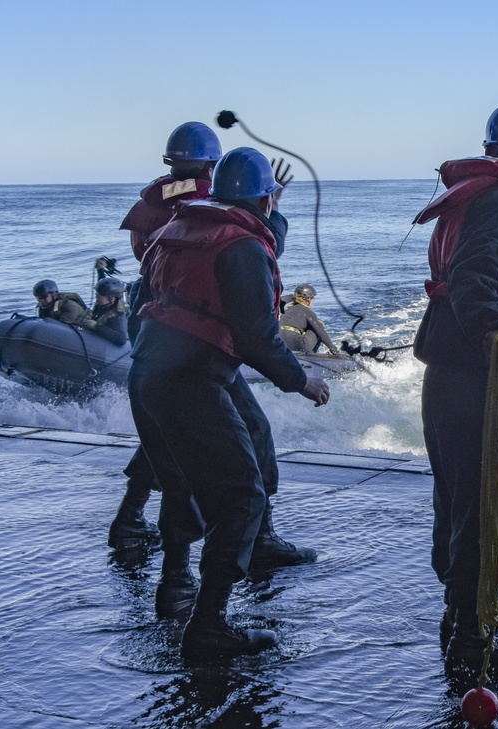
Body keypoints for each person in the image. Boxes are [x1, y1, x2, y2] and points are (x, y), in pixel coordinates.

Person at [129, 146, 330, 660]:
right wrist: (300, 380)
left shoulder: (179, 228)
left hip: (149, 371)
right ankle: (210, 624)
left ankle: (178, 585)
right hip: (191, 378)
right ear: (263, 200)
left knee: (185, 477)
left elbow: (142, 302)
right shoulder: (241, 246)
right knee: (242, 495)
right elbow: (258, 335)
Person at [414, 99, 498, 678]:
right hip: (479, 375)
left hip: (448, 366)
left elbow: (467, 274)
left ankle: (459, 618)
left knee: (458, 501)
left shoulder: (472, 199)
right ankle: (476, 644)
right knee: (480, 503)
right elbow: (476, 280)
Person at [108, 122, 225, 551]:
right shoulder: (203, 198)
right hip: (179, 315)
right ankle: (188, 560)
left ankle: (130, 517)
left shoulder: (158, 196)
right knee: (190, 430)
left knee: (160, 425)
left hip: (148, 307)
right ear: (211, 161)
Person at [279, 284, 340, 355]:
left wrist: (292, 296)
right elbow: (319, 330)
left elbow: (280, 300)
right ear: (309, 299)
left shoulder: (287, 310)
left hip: (280, 344)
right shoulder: (306, 311)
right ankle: (312, 355)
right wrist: (332, 348)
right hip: (297, 345)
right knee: (318, 325)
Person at [80, 277, 128, 346]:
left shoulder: (118, 316)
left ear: (111, 299)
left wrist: (96, 326)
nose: (96, 297)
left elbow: (121, 339)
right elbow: (104, 284)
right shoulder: (102, 307)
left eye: (99, 295)